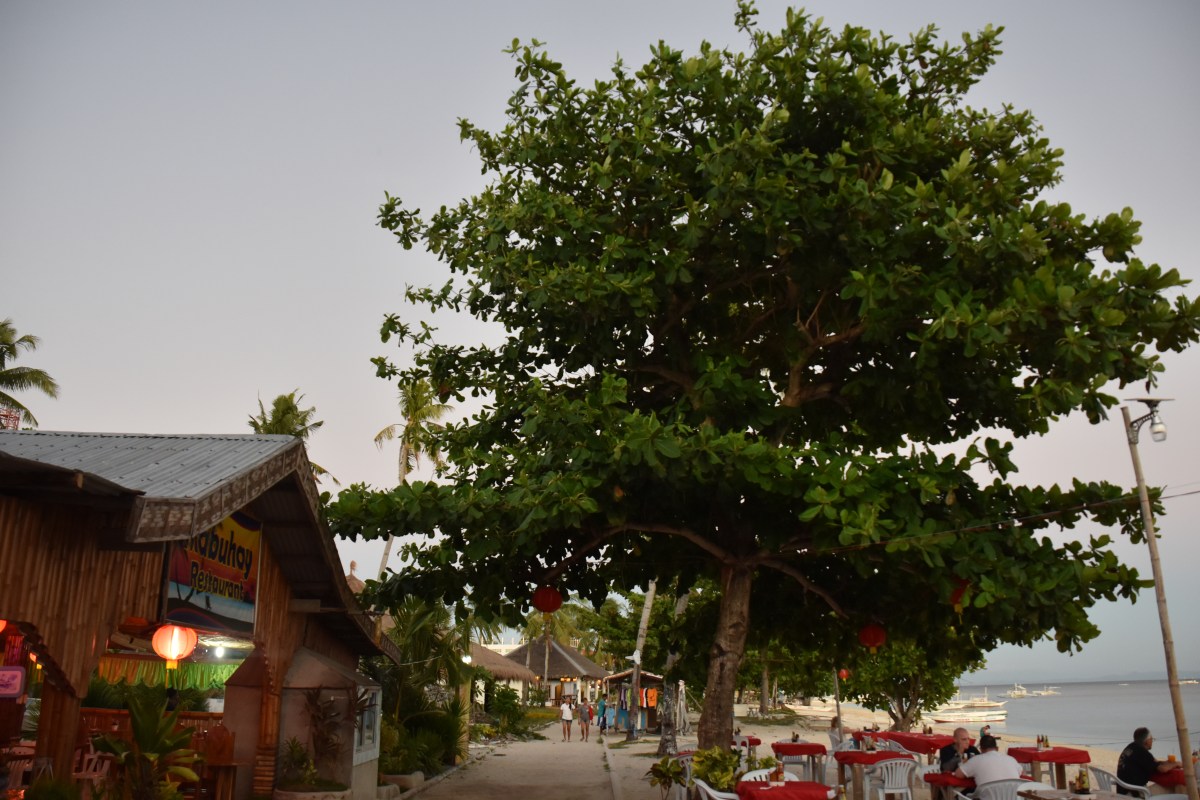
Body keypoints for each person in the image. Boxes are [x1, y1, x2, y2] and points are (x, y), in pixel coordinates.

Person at [1117, 727, 1174, 795]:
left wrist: (1167, 762)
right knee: (1171, 788)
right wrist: (1176, 764)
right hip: (1134, 792)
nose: (1152, 741)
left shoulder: (1131, 747)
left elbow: (1153, 762)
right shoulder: (1142, 752)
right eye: (1151, 739)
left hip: (1123, 790)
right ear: (1146, 741)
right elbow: (1163, 769)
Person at [956, 734, 1022, 786]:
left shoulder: (976, 760)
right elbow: (1021, 772)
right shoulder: (1011, 759)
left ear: (981, 749)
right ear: (997, 748)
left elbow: (958, 774)